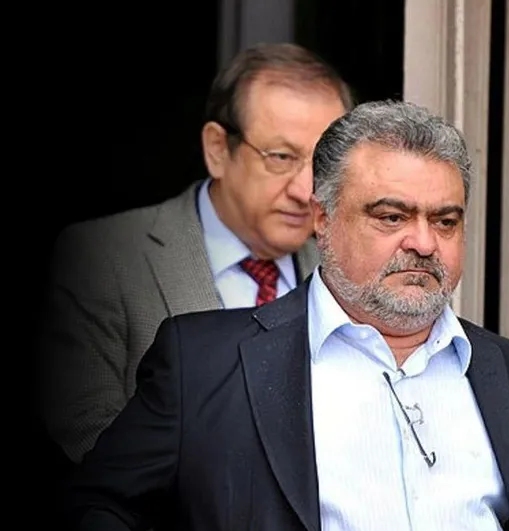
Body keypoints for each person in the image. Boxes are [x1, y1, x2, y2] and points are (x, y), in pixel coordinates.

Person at [63, 99, 509, 531]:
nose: (425, 243)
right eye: (392, 217)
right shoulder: (204, 362)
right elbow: (93, 507)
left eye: (446, 221)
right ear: (323, 218)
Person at [37, 43, 353, 466]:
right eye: (281, 158)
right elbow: (93, 442)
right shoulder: (103, 258)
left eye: (323, 164)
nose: (305, 190)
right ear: (218, 149)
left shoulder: (345, 269)